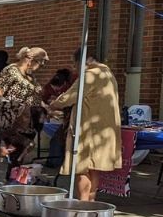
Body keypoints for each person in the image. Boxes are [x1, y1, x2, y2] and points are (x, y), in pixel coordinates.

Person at [49, 48, 121, 201]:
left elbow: (68, 98)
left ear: (85, 60)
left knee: (80, 166)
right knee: (94, 168)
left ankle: (82, 202)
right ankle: (91, 200)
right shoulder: (108, 74)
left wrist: (53, 104)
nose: (75, 68)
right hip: (104, 130)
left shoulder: (89, 75)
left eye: (75, 64)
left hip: (88, 129)